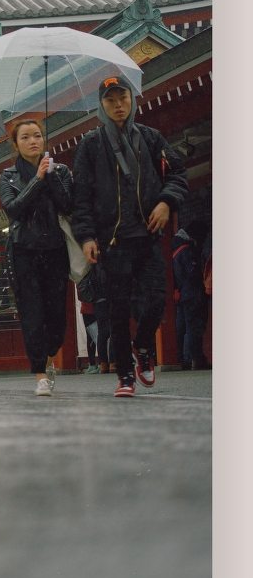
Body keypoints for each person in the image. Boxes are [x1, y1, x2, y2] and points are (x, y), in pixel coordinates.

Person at [70, 76, 189, 398]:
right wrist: (86, 236)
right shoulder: (91, 145)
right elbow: (81, 198)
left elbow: (178, 174)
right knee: (117, 311)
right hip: (112, 242)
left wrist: (166, 202)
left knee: (157, 300)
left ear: (132, 100)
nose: (118, 105)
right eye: (110, 100)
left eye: (122, 97)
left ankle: (143, 347)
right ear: (102, 105)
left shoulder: (151, 138)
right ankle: (124, 374)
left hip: (147, 236)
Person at [0, 118, 76, 396]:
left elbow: (69, 205)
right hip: (24, 252)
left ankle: (49, 357)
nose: (33, 141)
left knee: (57, 319)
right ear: (16, 144)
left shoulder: (61, 170)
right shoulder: (8, 175)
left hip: (55, 250)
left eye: (37, 136)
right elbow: (13, 209)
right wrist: (37, 179)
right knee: (31, 315)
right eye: (25, 137)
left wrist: (51, 175)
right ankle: (40, 374)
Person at [171, 229, 209, 370]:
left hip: (180, 295)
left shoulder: (172, 251)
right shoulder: (187, 250)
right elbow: (193, 273)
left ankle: (181, 358)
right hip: (191, 293)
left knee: (180, 327)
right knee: (192, 327)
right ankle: (195, 359)